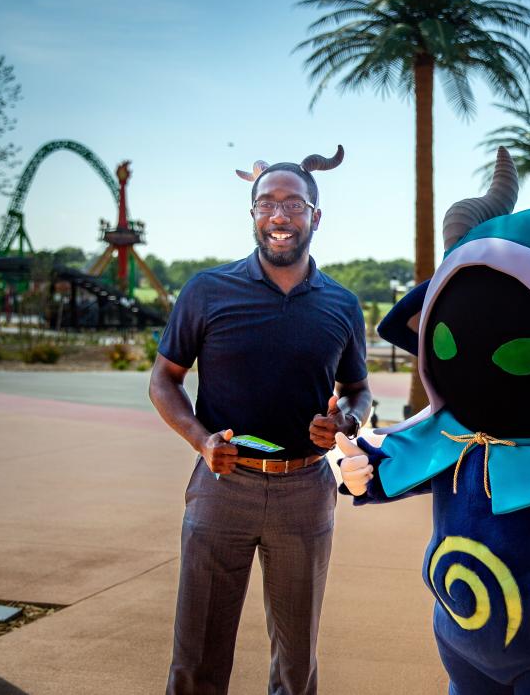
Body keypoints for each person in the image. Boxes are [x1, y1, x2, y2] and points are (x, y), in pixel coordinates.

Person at [149, 146, 371, 695]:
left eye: (293, 204)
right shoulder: (206, 290)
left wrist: (346, 421)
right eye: (266, 203)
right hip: (222, 485)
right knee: (197, 654)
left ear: (315, 217)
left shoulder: (342, 305)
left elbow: (359, 391)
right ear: (251, 214)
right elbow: (163, 380)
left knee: (296, 663)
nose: (279, 216)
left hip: (306, 492)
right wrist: (201, 441)